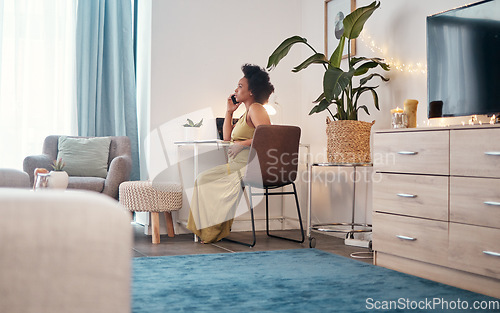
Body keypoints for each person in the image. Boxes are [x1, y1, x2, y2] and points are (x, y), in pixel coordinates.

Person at [187, 64, 274, 243]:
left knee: (205, 181)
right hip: (235, 166)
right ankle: (210, 230)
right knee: (202, 179)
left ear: (251, 91)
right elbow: (227, 137)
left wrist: (242, 144)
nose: (236, 89)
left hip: (249, 167)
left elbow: (268, 136)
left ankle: (213, 232)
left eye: (240, 86)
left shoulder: (257, 109)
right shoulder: (246, 113)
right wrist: (229, 111)